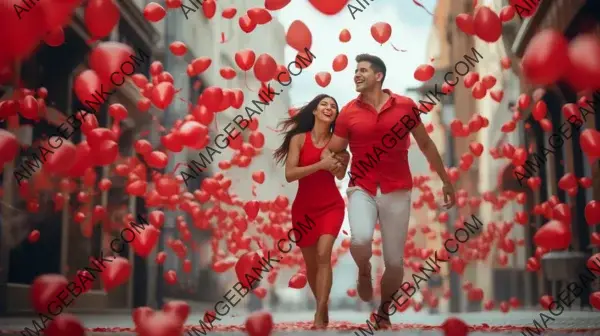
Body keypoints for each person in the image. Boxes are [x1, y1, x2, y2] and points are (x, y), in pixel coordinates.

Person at [323, 54, 456, 329]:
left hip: (397, 189)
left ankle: (384, 310)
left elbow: (427, 144)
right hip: (362, 187)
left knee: (395, 263)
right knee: (359, 240)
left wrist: (445, 179)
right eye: (355, 71)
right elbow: (334, 150)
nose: (356, 75)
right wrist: (336, 161)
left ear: (378, 76)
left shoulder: (406, 107)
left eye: (362, 71)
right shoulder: (348, 112)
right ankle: (363, 270)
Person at [273, 94, 349, 328]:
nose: (329, 107)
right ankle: (323, 306)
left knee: (324, 253)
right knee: (312, 265)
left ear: (335, 116)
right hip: (304, 209)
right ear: (315, 111)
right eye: (324, 104)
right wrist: (321, 164)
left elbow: (339, 174)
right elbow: (290, 174)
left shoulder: (338, 144)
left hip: (331, 206)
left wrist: (339, 160)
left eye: (333, 106)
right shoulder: (298, 140)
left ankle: (318, 314)